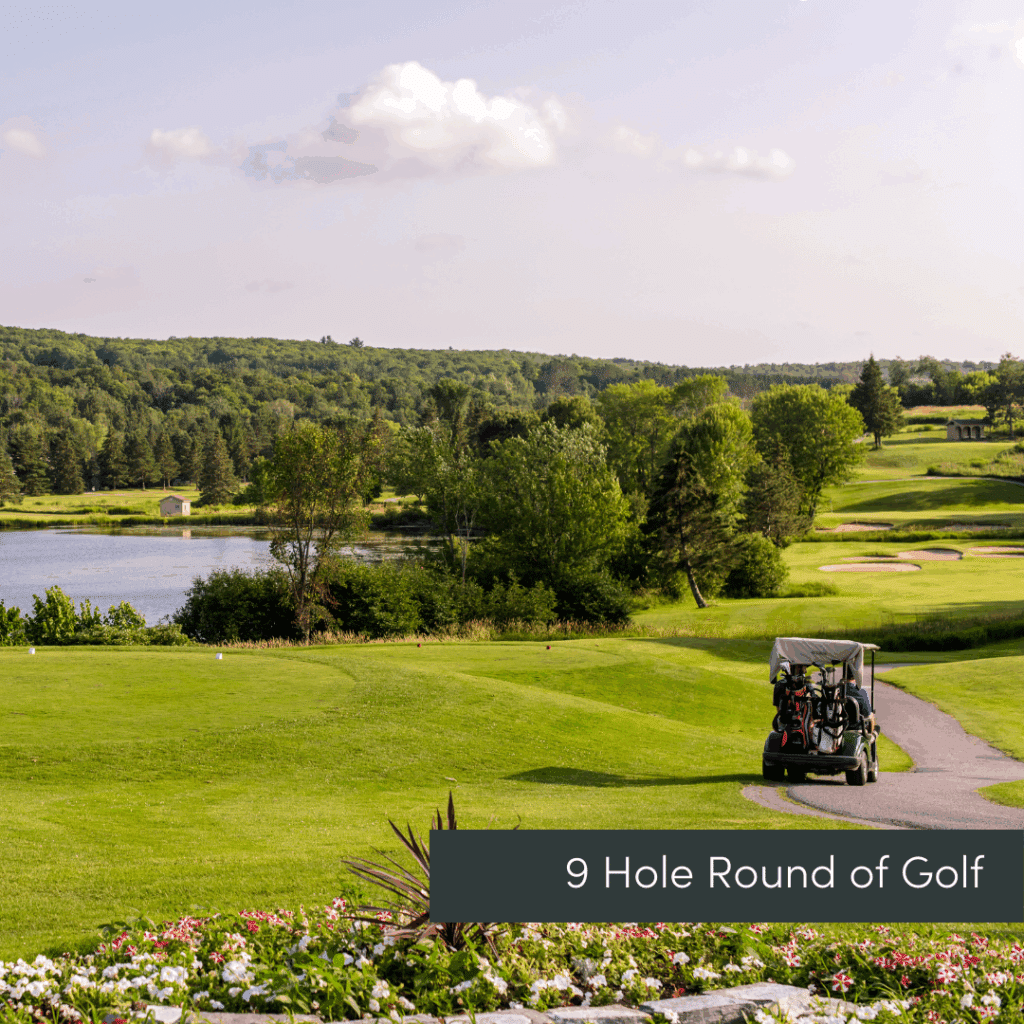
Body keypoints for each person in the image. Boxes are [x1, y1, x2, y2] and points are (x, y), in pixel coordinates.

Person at [844, 664, 876, 732]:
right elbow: (867, 714)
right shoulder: (861, 692)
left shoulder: (837, 691)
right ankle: (870, 736)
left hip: (841, 727)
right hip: (857, 728)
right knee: (871, 716)